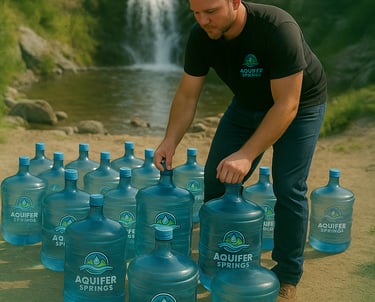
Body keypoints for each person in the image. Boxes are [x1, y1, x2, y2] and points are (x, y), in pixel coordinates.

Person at [154, 0, 327, 301]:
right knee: (217, 177)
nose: (203, 20)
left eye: (211, 11)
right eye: (196, 13)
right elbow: (187, 95)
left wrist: (246, 154)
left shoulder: (277, 28)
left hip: (299, 106)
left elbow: (287, 104)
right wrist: (170, 141)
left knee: (288, 186)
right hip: (246, 105)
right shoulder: (200, 36)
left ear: (235, 2)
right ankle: (219, 258)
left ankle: (287, 274)